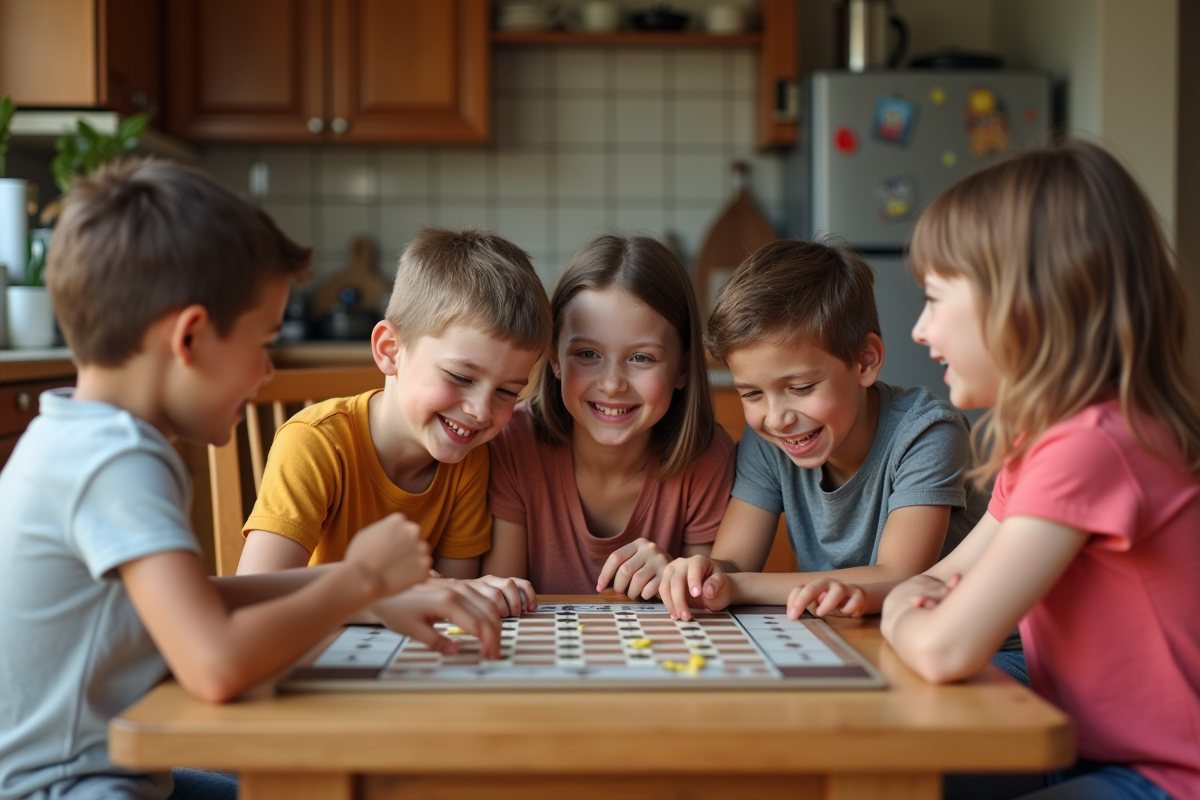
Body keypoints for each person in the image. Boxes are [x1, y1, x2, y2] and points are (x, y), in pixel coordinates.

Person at [0, 160, 503, 800]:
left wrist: (366, 598)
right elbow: (215, 667)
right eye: (262, 342)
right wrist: (361, 577)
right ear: (191, 339)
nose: (267, 372)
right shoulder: (115, 460)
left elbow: (198, 601)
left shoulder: (82, 437)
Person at [861, 141, 1199, 799]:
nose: (920, 331)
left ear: (1023, 303)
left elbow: (943, 646)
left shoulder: (1092, 446)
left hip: (1164, 777)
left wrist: (906, 612)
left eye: (934, 300)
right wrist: (916, 602)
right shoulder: (1043, 440)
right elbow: (937, 578)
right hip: (1079, 741)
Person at [660, 239, 989, 621]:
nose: (777, 417)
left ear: (865, 361)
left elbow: (901, 576)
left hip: (977, 645)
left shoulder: (928, 433)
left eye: (800, 388)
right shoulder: (769, 441)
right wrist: (705, 573)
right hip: (854, 635)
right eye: (752, 393)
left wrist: (741, 585)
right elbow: (733, 561)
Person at [236, 227, 552, 617]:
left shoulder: (469, 458)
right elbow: (255, 596)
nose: (481, 411)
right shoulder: (314, 445)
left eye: (508, 392)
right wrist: (378, 597)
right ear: (389, 351)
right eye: (460, 378)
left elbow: (446, 601)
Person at [484, 235, 735, 597]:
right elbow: (501, 601)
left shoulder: (708, 458)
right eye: (588, 354)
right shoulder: (513, 443)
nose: (613, 384)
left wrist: (677, 578)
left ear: (683, 368)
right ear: (555, 357)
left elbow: (706, 607)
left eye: (641, 358)